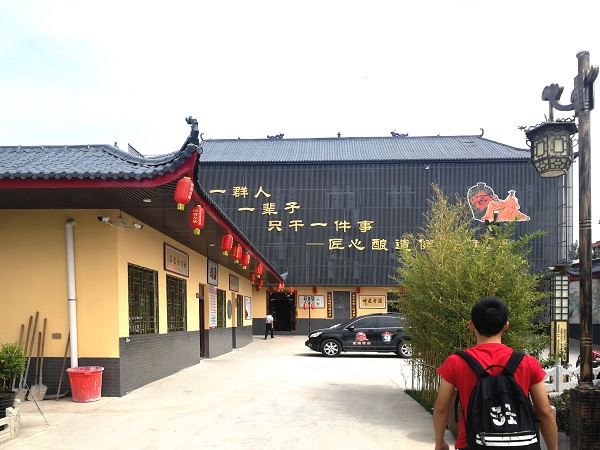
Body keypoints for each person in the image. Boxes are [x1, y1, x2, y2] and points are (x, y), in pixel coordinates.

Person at [432, 296, 558, 450]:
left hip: (473, 444)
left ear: (471, 325)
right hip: (521, 444)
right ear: (506, 326)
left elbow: (441, 408)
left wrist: (440, 442)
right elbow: (545, 412)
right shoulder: (528, 362)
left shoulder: (456, 362)